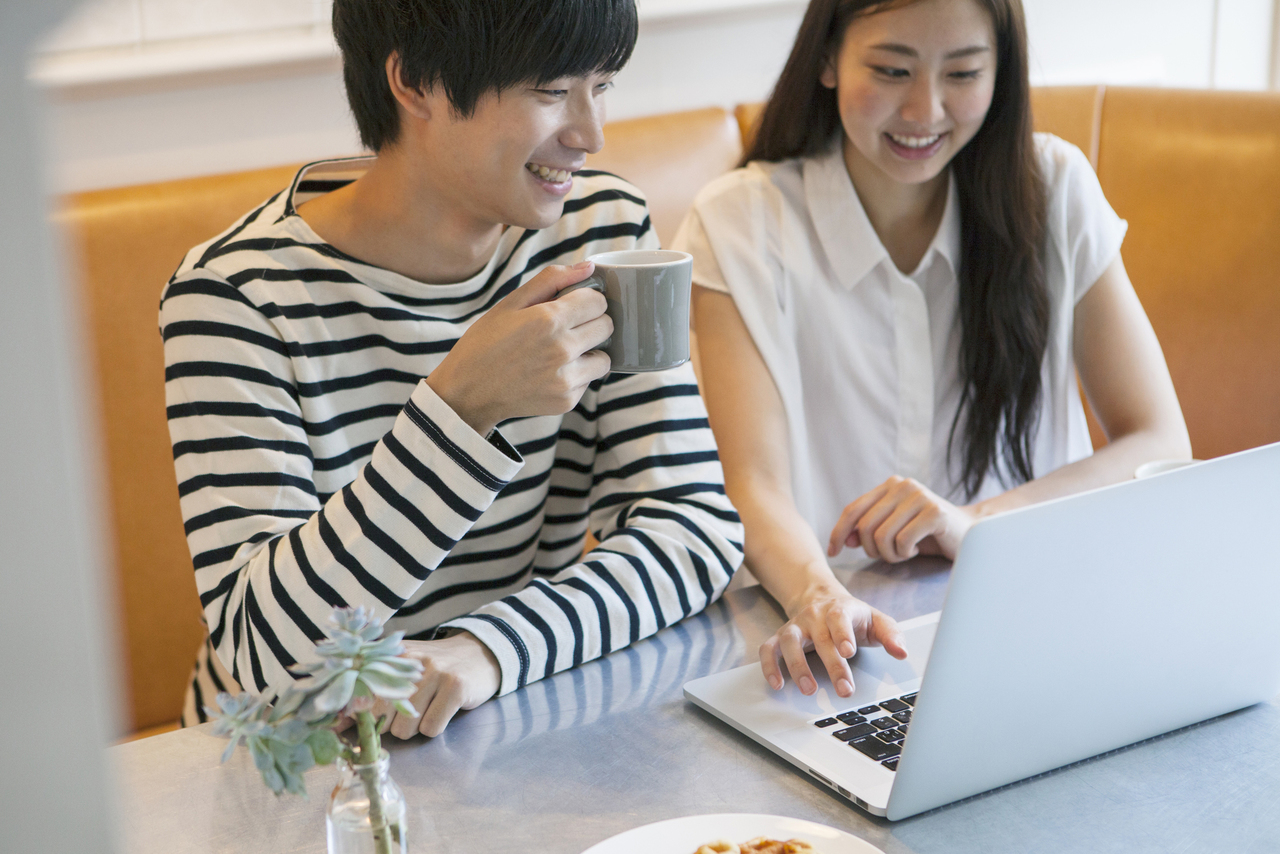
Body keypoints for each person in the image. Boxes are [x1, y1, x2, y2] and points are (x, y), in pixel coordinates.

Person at [161, 0, 743, 739]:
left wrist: (487, 652)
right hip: (293, 758)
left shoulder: (599, 231)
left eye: (602, 85)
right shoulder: (237, 295)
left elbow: (693, 529)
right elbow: (265, 652)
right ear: (416, 84)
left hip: (506, 720)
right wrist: (460, 406)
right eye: (550, 90)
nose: (590, 134)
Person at [673, 0, 1189, 700]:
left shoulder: (1054, 189)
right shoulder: (738, 223)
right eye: (890, 70)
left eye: (964, 72)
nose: (925, 109)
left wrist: (971, 522)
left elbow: (1160, 443)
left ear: (1000, 73)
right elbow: (754, 486)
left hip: (1042, 632)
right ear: (827, 59)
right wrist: (820, 600)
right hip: (839, 656)